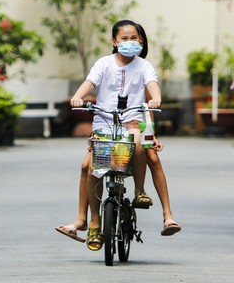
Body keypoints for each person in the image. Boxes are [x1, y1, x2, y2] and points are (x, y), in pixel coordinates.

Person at [56, 22, 181, 245]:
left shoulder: (144, 67)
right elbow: (90, 82)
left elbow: (152, 87)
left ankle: (150, 200)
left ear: (141, 41)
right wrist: (78, 96)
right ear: (114, 41)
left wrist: (155, 98)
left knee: (141, 145)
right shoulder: (103, 64)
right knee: (91, 167)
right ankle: (92, 222)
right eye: (124, 38)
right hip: (104, 126)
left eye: (134, 38)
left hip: (133, 124)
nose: (130, 42)